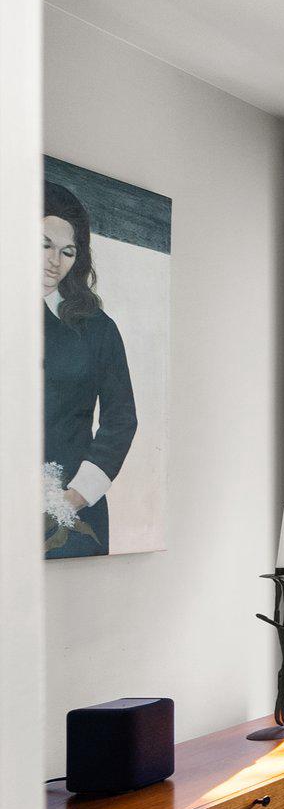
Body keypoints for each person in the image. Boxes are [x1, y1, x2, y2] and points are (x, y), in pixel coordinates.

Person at [43, 180, 137, 559]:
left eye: (67, 251)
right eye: (44, 244)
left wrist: (76, 496)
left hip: (73, 511)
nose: (55, 261)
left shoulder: (96, 327)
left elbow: (121, 419)